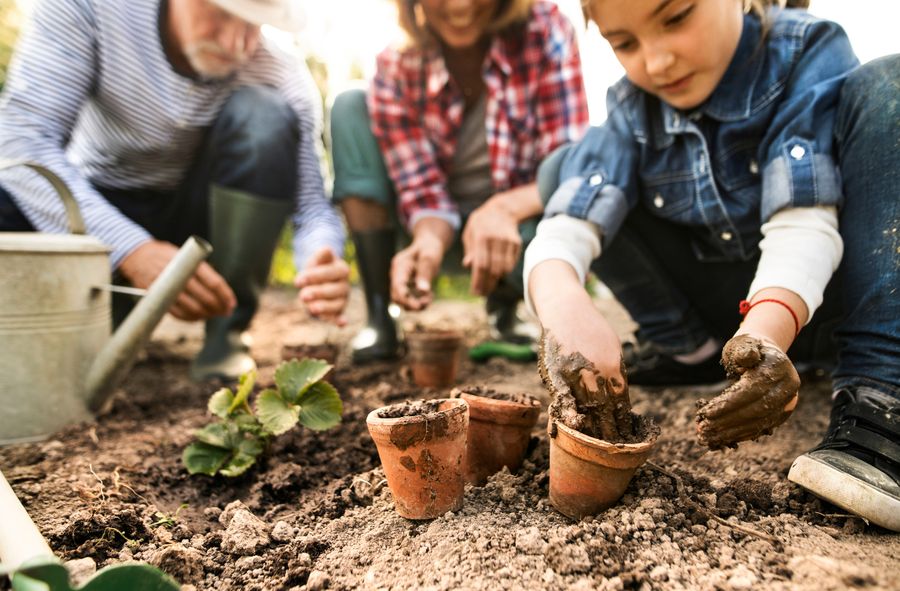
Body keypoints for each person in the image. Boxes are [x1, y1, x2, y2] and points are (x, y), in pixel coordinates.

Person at [525, 0, 899, 530]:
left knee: (890, 84)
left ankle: (881, 395)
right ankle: (694, 353)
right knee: (566, 170)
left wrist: (765, 334)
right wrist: (565, 307)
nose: (655, 62)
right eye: (624, 42)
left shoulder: (806, 53)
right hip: (731, 318)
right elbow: (565, 228)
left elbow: (803, 224)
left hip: (830, 304)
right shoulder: (633, 106)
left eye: (675, 18)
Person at [0, 0, 350, 381]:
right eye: (221, 13)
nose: (236, 43)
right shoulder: (89, 8)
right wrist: (131, 250)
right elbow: (21, 140)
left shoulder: (279, 70)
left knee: (265, 115)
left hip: (199, 222)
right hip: (97, 211)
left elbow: (312, 206)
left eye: (255, 24)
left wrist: (321, 257)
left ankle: (226, 334)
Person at [329, 0, 589, 363]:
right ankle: (379, 311)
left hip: (519, 230)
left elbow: (568, 165)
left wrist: (503, 209)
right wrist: (429, 238)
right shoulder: (395, 64)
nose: (461, 4)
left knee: (573, 209)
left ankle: (506, 304)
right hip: (435, 230)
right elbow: (421, 190)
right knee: (349, 104)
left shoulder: (545, 29)